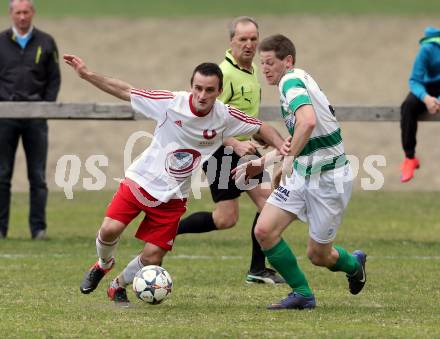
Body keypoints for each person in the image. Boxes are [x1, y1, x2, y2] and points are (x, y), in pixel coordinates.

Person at [64, 54, 288, 305]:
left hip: (173, 196)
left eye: (209, 90)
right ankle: (104, 264)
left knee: (152, 258)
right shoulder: (170, 103)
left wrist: (284, 147)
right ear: (191, 86)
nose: (202, 95)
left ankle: (117, 286)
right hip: (141, 181)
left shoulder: (225, 115)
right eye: (198, 88)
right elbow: (126, 91)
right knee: (109, 229)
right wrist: (87, 74)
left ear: (219, 91)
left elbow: (261, 128)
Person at [233, 34, 367, 310]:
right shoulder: (298, 79)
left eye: (270, 62)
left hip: (328, 180)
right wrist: (273, 161)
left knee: (319, 255)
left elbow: (307, 122)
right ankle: (303, 294)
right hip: (302, 175)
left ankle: (355, 265)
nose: (265, 69)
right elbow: (298, 136)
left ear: (288, 61)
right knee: (264, 230)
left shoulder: (290, 82)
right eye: (262, 63)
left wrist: (280, 158)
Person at [176, 16, 284, 284]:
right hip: (221, 154)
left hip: (242, 151)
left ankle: (257, 269)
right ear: (231, 41)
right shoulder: (224, 76)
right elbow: (206, 120)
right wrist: (235, 142)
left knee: (230, 217)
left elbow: (242, 117)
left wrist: (257, 135)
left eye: (253, 39)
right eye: (242, 39)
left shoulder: (251, 71)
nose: (249, 44)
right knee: (259, 206)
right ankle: (258, 269)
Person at [0, 0, 61, 240]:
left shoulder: (46, 42)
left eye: (26, 12)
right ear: (11, 14)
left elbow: (54, 79)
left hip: (36, 118)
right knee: (2, 175)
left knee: (37, 176)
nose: (22, 17)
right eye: (18, 12)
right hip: (5, 117)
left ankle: (38, 229)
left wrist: (44, 106)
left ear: (32, 13)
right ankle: (1, 229)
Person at [400, 26, 440, 183]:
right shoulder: (427, 49)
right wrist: (427, 98)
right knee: (408, 106)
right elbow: (415, 80)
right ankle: (409, 158)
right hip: (427, 88)